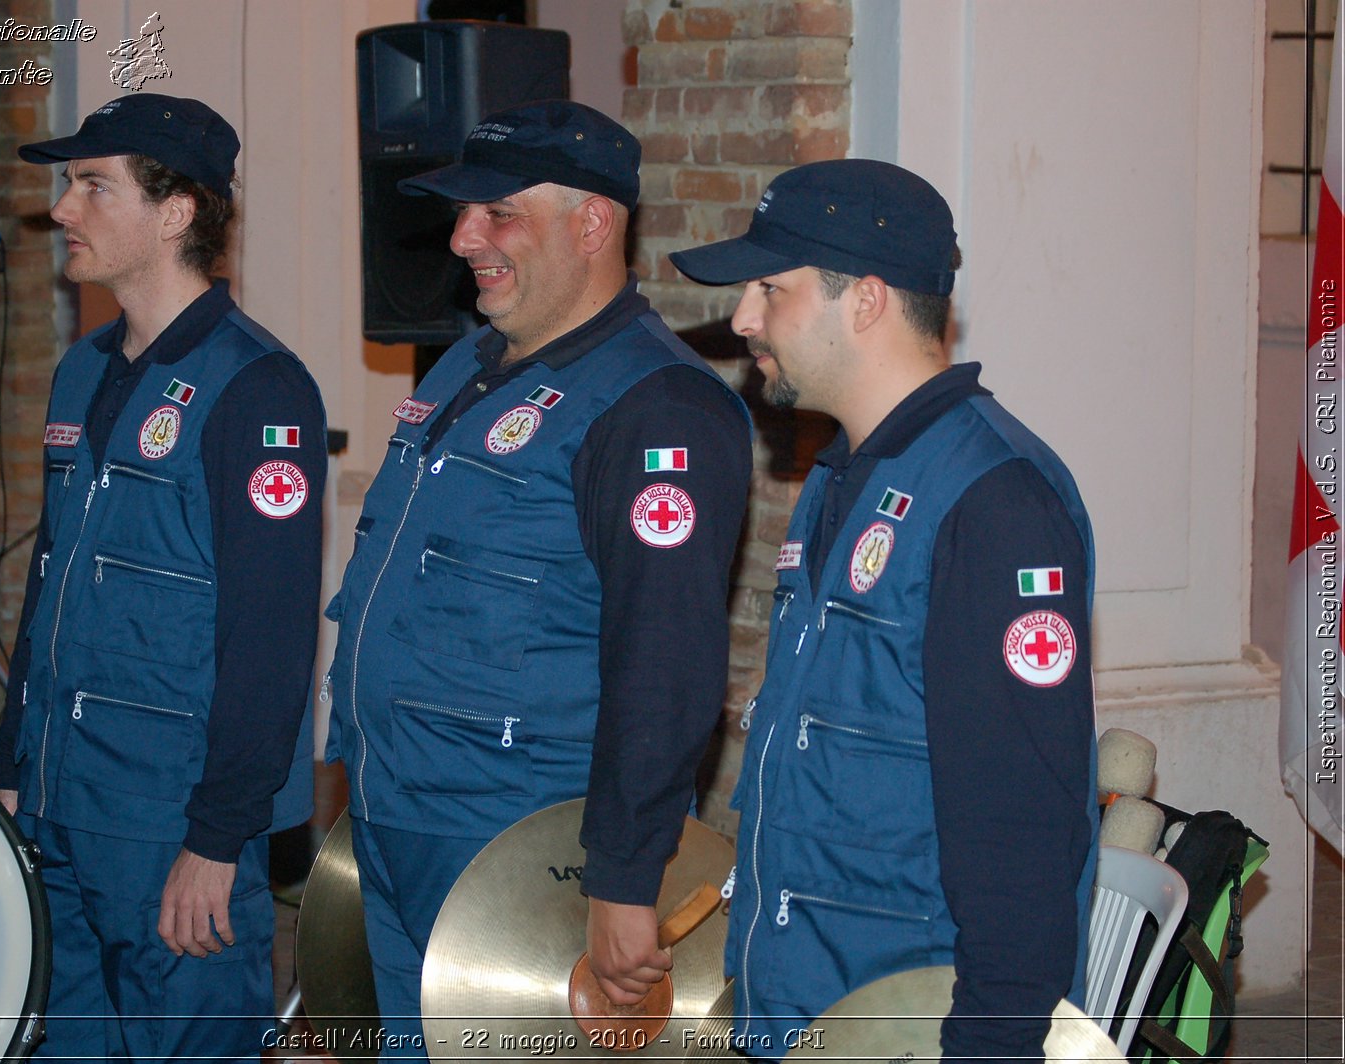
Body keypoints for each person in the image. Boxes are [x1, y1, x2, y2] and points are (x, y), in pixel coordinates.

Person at [323, 100, 752, 1057]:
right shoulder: (465, 365)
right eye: (463, 211)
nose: (464, 237)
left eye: (499, 213)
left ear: (591, 224)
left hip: (525, 848)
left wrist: (626, 879)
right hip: (401, 825)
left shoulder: (658, 408)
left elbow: (667, 663)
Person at [670, 159, 1099, 1063]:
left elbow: (1021, 829)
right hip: (806, 1006)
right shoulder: (838, 477)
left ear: (863, 300)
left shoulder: (997, 502)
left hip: (909, 1017)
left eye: (769, 288)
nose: (745, 319)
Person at [0, 93, 326, 1062]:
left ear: (177, 211)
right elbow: (50, 584)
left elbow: (269, 641)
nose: (63, 208)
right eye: (69, 184)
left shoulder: (259, 389)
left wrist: (218, 840)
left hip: (167, 824)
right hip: (58, 802)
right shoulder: (82, 370)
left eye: (94, 185)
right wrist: (13, 772)